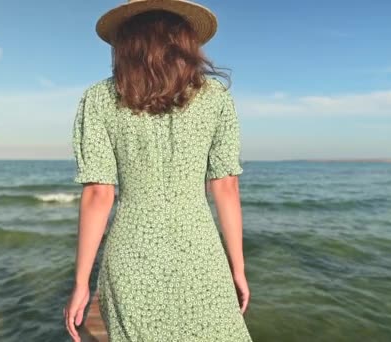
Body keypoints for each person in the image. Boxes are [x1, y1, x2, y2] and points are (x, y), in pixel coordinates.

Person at [64, 0, 252, 341]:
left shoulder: (100, 99)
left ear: (126, 43)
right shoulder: (215, 99)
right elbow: (226, 186)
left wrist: (81, 283)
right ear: (185, 41)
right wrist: (237, 269)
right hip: (200, 255)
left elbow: (98, 193)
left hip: (131, 257)